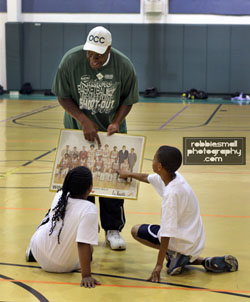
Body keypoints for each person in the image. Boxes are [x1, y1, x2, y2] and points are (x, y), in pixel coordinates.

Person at [52, 26, 139, 250]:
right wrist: (83, 119)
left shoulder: (124, 65)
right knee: (81, 185)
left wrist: (117, 121)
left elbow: (128, 99)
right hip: (78, 133)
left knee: (112, 182)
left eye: (98, 55)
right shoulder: (70, 61)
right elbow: (63, 96)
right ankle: (84, 230)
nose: (92, 59)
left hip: (111, 134)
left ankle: (113, 230)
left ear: (108, 49)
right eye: (89, 54)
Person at [118, 146, 238, 282]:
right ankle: (204, 261)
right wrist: (127, 174)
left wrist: (158, 266)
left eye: (154, 159)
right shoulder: (174, 177)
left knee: (136, 230)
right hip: (194, 239)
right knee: (174, 249)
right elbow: (147, 177)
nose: (152, 161)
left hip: (181, 241)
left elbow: (166, 234)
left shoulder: (171, 194)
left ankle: (174, 256)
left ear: (159, 166)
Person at [26, 166, 100, 288]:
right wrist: (86, 275)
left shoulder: (60, 195)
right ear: (91, 188)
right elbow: (83, 243)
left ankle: (31, 251)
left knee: (49, 218)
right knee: (89, 249)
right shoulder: (90, 209)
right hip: (66, 266)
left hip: (39, 254)